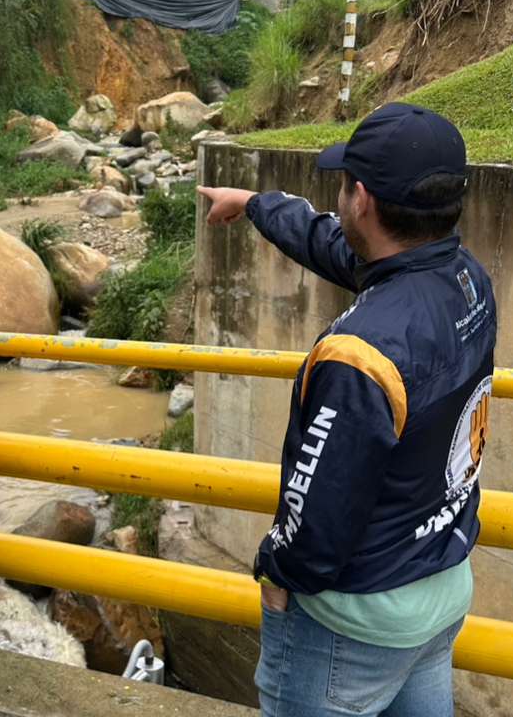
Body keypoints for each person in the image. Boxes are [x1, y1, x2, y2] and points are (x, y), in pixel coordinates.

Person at [198, 103, 495, 717]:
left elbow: (318, 516)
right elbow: (343, 250)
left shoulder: (358, 356)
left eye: (343, 186)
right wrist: (255, 204)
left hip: (353, 625)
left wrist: (276, 571)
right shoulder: (466, 279)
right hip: (440, 590)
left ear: (361, 198)